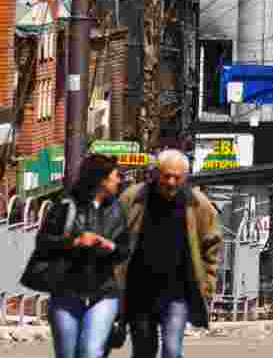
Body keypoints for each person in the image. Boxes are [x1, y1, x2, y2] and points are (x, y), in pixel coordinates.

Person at [117, 149, 223, 358]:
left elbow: (212, 245)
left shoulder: (198, 204)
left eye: (177, 177)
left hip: (178, 293)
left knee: (172, 350)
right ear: (156, 174)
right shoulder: (133, 198)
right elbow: (115, 237)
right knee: (144, 351)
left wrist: (208, 283)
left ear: (185, 177)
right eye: (167, 176)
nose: (171, 182)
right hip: (140, 292)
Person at [35, 154, 131, 358]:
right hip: (66, 292)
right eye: (116, 176)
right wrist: (75, 242)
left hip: (103, 293)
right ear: (101, 179)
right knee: (68, 354)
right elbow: (43, 243)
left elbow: (125, 249)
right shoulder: (65, 205)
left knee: (90, 352)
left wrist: (111, 246)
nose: (119, 180)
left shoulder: (116, 209)